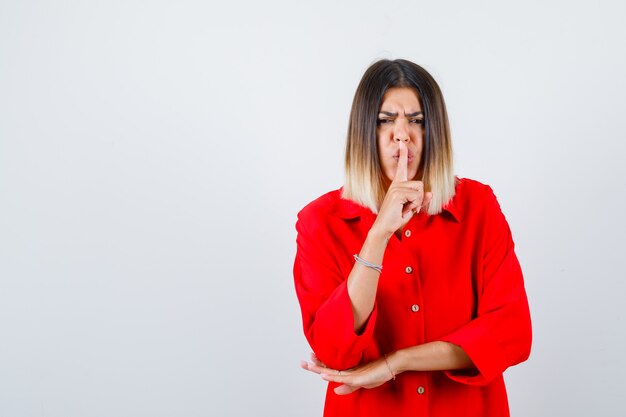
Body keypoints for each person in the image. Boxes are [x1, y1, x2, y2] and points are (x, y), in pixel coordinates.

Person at [293, 59, 532, 417]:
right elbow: (335, 353)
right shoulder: (319, 222)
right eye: (385, 120)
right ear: (364, 132)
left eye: (417, 121)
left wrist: (396, 363)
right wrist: (378, 234)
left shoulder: (479, 208)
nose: (402, 134)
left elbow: (511, 333)